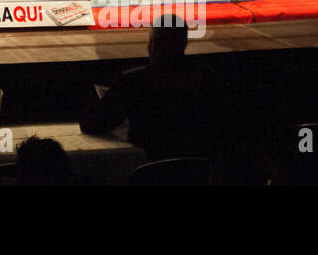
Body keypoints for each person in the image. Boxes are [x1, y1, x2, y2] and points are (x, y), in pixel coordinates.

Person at [79, 14, 223, 162]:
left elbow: (94, 123)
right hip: (199, 170)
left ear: (152, 44)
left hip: (150, 166)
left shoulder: (135, 81)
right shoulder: (208, 78)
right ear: (185, 44)